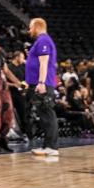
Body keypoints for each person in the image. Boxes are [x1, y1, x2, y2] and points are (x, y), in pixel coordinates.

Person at [26, 18, 59, 156]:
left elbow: (44, 63)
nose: (29, 30)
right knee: (44, 114)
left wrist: (41, 82)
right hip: (41, 83)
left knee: (47, 114)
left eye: (30, 27)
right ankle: (48, 146)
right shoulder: (41, 41)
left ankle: (51, 147)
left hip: (43, 84)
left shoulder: (43, 40)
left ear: (37, 26)